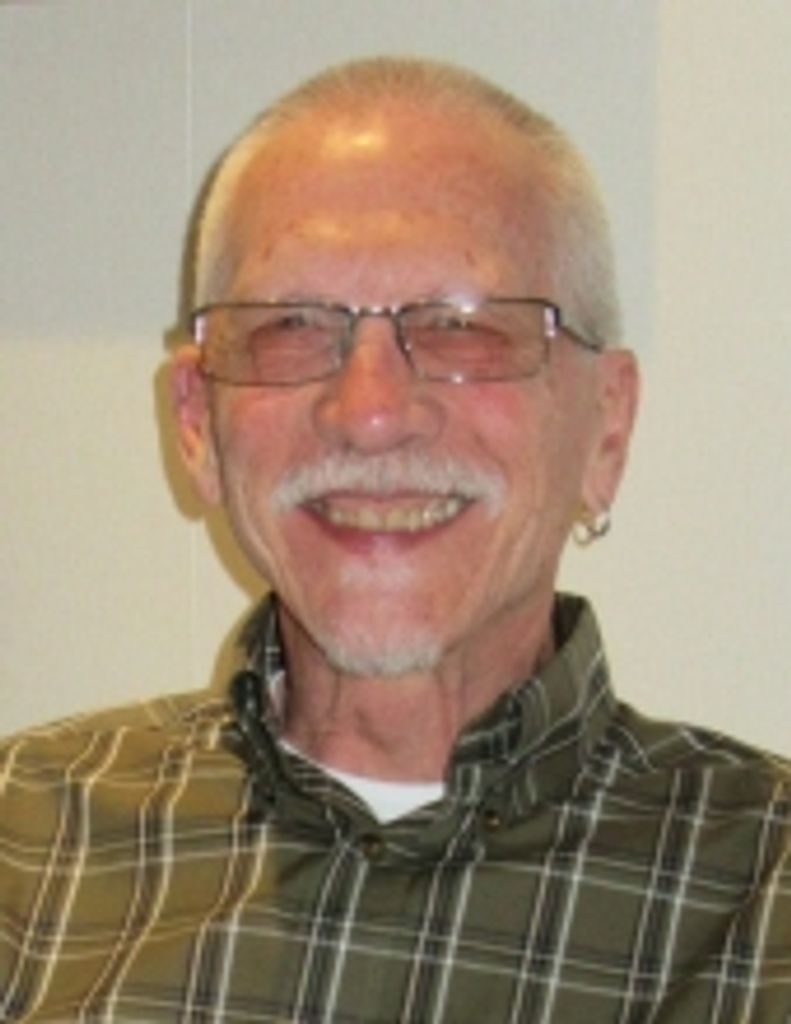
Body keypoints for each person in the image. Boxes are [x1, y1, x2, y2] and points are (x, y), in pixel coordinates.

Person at [0, 56, 788, 1024]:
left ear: (606, 428)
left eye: (462, 327)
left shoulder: (765, 901)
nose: (368, 413)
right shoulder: (25, 852)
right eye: (291, 325)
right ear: (197, 422)